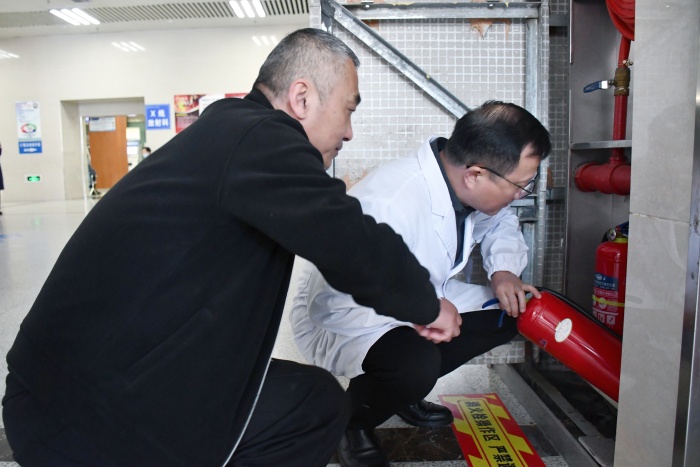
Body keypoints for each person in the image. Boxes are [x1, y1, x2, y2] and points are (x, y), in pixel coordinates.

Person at [1, 28, 461, 467]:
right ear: (302, 98)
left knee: (301, 396)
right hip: (78, 416)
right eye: (348, 110)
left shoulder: (233, 133)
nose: (349, 132)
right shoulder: (261, 138)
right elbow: (349, 240)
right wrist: (426, 304)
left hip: (68, 389)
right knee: (314, 407)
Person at [290, 100, 552, 467]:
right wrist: (420, 311)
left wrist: (504, 271)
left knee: (513, 312)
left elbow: (498, 219)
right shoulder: (390, 203)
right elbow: (331, 302)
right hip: (347, 314)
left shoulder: (461, 182)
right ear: (475, 175)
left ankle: (399, 394)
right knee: (415, 364)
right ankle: (353, 421)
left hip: (425, 297)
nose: (520, 195)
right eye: (520, 186)